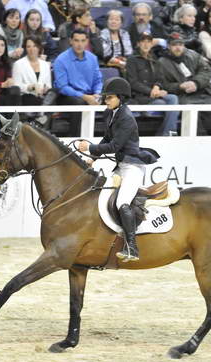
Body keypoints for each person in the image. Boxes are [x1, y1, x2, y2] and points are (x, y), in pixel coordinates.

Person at [77, 77, 158, 262]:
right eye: (105, 98)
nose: (106, 101)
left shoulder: (127, 118)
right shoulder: (111, 113)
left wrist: (89, 147)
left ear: (120, 98)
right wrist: (92, 158)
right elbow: (106, 139)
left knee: (122, 202)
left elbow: (114, 146)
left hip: (133, 167)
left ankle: (132, 247)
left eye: (109, 98)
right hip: (122, 166)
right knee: (102, 196)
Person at [159, 32, 211, 135]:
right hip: (183, 96)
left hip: (204, 93)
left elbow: (206, 71)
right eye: (174, 45)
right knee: (194, 120)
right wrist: (179, 86)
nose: (178, 48)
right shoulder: (162, 62)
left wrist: (196, 83)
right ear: (168, 46)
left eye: (180, 44)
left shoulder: (194, 55)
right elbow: (163, 84)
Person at [126, 33, 179, 136]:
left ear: (151, 44)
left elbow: (160, 79)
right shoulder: (132, 60)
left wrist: (157, 87)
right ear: (138, 44)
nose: (146, 45)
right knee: (162, 104)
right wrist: (151, 91)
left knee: (173, 98)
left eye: (148, 42)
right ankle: (166, 133)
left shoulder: (154, 59)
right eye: (143, 42)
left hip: (154, 94)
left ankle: (168, 132)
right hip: (139, 97)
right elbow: (133, 83)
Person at [53, 29, 103, 137]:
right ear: (71, 41)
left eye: (82, 41)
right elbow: (63, 87)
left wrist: (97, 94)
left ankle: (108, 141)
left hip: (89, 94)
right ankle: (74, 139)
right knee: (79, 103)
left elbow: (98, 81)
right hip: (67, 96)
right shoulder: (61, 60)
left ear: (87, 41)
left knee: (112, 100)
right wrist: (85, 97)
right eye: (76, 40)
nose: (79, 44)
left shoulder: (92, 58)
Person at [12, 35, 52, 106]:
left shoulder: (45, 65)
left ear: (39, 48)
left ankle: (43, 112)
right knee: (33, 99)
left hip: (43, 96)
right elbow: (16, 86)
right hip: (26, 96)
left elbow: (48, 85)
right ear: (25, 48)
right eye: (28, 46)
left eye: (35, 46)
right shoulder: (18, 64)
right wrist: (30, 87)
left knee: (53, 94)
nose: (32, 49)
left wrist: (45, 88)